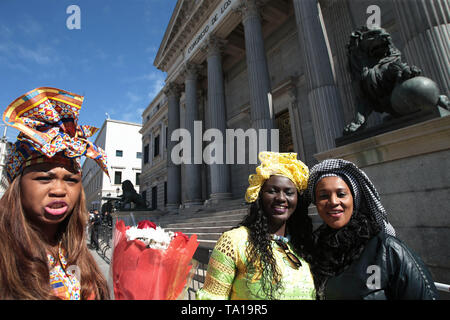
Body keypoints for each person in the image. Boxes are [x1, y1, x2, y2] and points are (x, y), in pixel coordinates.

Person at [0, 87, 110, 300]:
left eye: (70, 180)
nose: (59, 190)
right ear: (18, 185)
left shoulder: (78, 255)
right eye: (44, 178)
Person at [305, 158, 439, 300]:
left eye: (341, 194)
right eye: (324, 196)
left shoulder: (387, 249)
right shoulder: (313, 251)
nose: (333, 202)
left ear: (354, 198)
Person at [197, 152, 316, 300]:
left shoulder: (302, 245)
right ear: (259, 196)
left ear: (297, 199)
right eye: (272, 191)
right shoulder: (233, 242)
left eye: (289, 192)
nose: (281, 198)